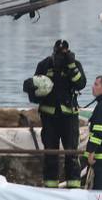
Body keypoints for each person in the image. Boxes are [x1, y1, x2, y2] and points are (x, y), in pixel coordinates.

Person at [34, 40, 87, 188]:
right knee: (50, 154)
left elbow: (80, 83)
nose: (61, 55)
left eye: (64, 52)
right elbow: (35, 88)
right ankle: (50, 187)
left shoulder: (75, 64)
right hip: (49, 116)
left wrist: (71, 66)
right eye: (58, 52)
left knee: (71, 154)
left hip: (69, 116)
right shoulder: (44, 65)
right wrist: (30, 86)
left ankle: (74, 187)